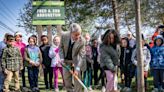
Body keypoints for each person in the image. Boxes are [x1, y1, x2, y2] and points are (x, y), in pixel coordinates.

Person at [59, 23, 86, 92]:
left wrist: (77, 68)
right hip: (66, 61)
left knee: (77, 79)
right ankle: (69, 90)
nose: (78, 36)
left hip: (76, 61)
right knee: (67, 79)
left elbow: (81, 55)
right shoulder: (64, 36)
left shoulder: (82, 41)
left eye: (79, 34)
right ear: (71, 33)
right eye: (76, 35)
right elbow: (61, 47)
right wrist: (61, 58)